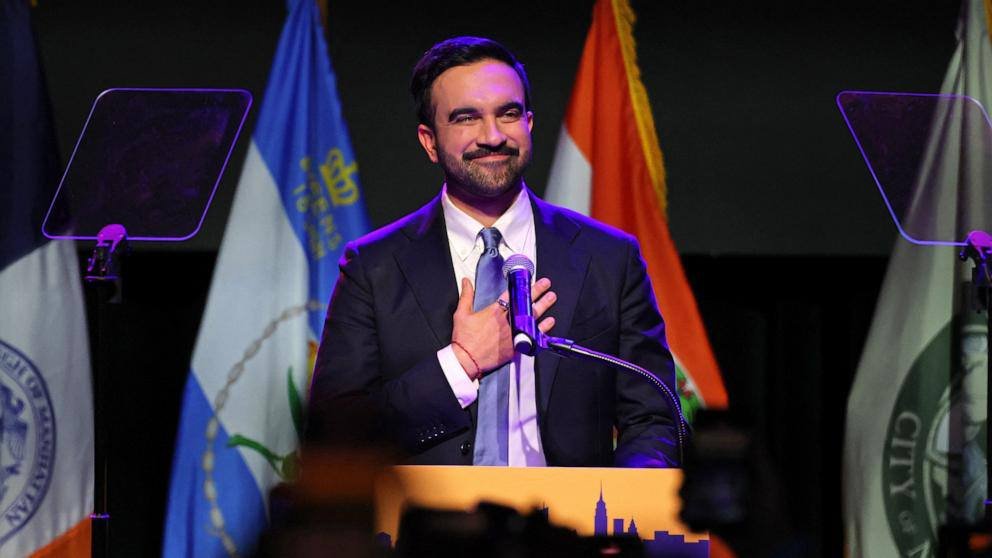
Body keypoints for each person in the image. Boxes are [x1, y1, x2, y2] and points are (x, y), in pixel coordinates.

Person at [306, 36, 680, 468]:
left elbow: (654, 419)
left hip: (568, 530)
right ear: (429, 142)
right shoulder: (373, 268)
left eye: (509, 114)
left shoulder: (609, 259)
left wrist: (621, 511)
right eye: (466, 118)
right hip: (429, 529)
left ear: (530, 124)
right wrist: (461, 363)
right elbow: (336, 437)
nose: (493, 136)